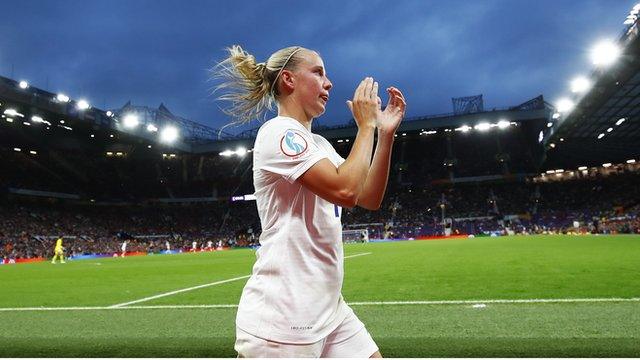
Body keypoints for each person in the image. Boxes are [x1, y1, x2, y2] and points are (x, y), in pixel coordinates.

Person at [214, 45, 406, 358]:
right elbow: (344, 191)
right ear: (288, 80)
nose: (328, 83)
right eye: (318, 72)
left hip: (329, 310)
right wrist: (366, 125)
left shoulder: (318, 144)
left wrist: (384, 135)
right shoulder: (278, 133)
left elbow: (367, 197)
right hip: (285, 317)